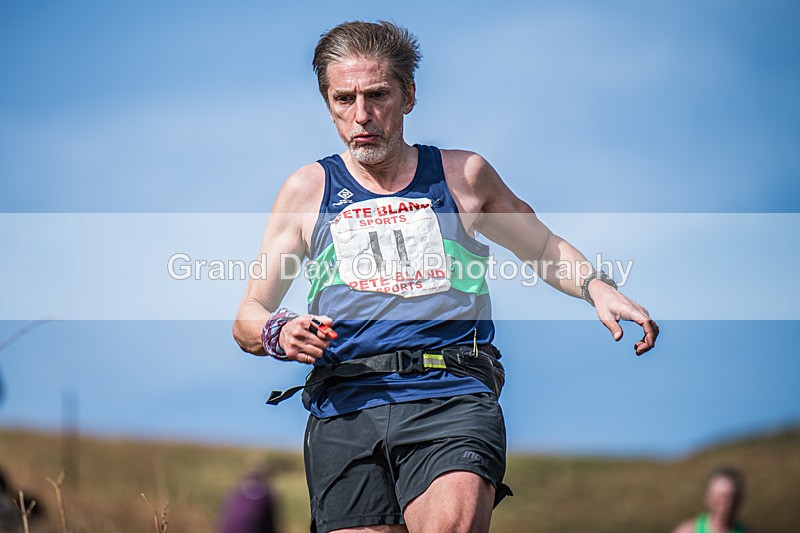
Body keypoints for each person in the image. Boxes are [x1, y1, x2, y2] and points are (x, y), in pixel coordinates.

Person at [233, 20, 658, 533]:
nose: (361, 115)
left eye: (377, 95)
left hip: (449, 392)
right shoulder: (306, 190)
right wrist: (278, 332)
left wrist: (597, 288)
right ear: (328, 104)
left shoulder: (463, 176)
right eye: (344, 99)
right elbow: (249, 315)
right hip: (345, 404)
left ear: (409, 95)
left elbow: (543, 246)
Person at [673, 467, 757, 533]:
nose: (727, 502)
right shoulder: (687, 531)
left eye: (732, 496)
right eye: (720, 497)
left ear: (740, 499)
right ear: (708, 498)